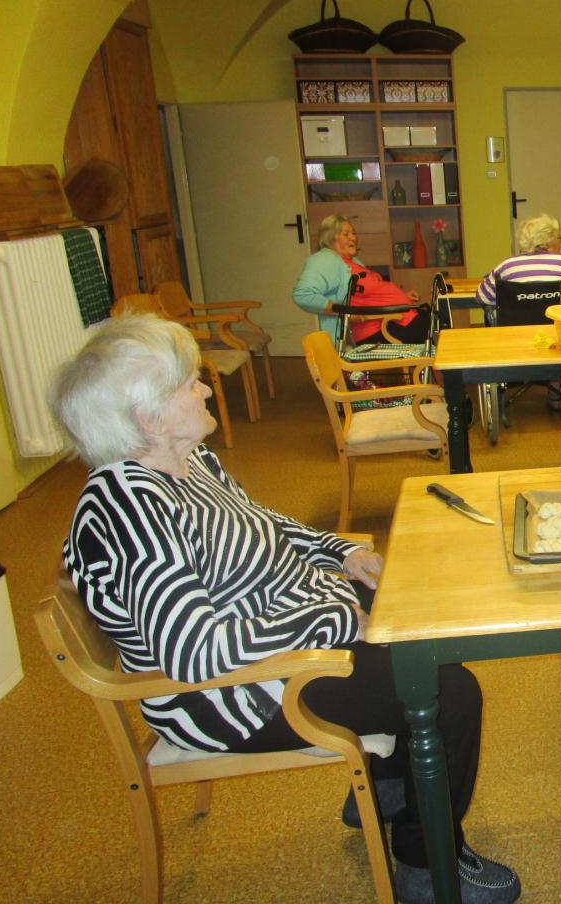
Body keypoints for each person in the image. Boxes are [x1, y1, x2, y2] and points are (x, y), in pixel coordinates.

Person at [52, 313, 519, 904]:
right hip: (235, 693)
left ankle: (391, 790)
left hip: (284, 632)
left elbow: (266, 528)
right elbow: (195, 653)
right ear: (149, 418)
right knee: (447, 692)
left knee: (416, 616)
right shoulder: (130, 513)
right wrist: (336, 620)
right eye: (189, 383)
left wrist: (342, 554)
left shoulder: (189, 464)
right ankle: (426, 865)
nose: (204, 389)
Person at [292, 214, 429, 346]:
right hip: (380, 331)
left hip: (396, 321)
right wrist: (345, 312)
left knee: (434, 319)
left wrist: (402, 298)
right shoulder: (325, 260)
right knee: (435, 328)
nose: (353, 238)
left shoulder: (351, 261)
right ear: (330, 238)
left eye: (353, 233)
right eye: (346, 234)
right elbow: (302, 295)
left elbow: (367, 295)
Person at [475, 214, 561, 307]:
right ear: (550, 241)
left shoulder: (507, 266)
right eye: (559, 239)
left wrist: (511, 301)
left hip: (517, 326)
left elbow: (482, 297)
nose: (560, 243)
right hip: (557, 326)